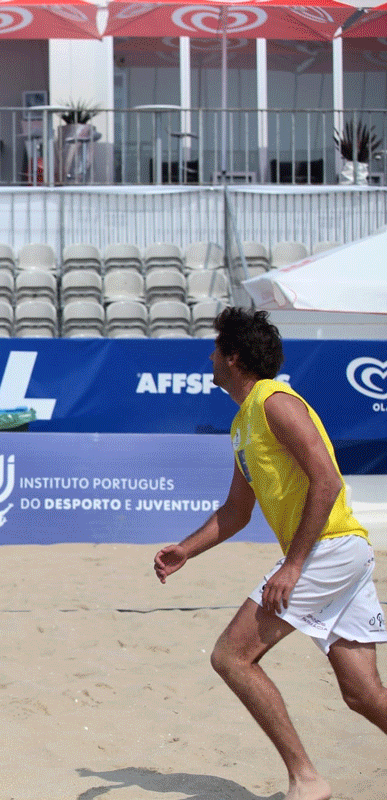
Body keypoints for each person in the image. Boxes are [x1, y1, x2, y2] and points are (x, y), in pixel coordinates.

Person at [154, 306, 387, 800]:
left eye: (216, 349)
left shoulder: (274, 401)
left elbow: (327, 480)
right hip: (341, 553)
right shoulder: (244, 421)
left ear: (234, 358)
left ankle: (307, 779)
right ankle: (308, 778)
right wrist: (186, 550)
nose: (211, 356)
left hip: (329, 549)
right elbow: (236, 512)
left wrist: (295, 563)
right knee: (362, 695)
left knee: (231, 657)